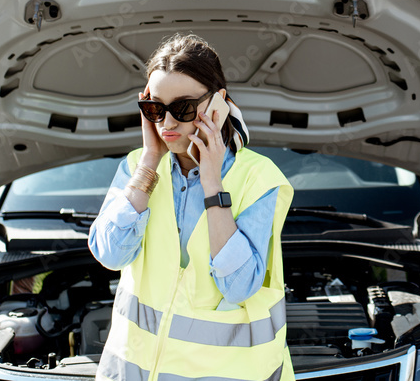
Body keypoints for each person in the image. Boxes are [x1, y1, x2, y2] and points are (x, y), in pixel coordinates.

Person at [89, 33, 294, 381]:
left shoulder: (260, 179)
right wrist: (151, 159)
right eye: (154, 108)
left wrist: (212, 182)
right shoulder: (138, 166)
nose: (167, 124)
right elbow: (109, 254)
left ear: (219, 102)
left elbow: (239, 286)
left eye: (182, 108)